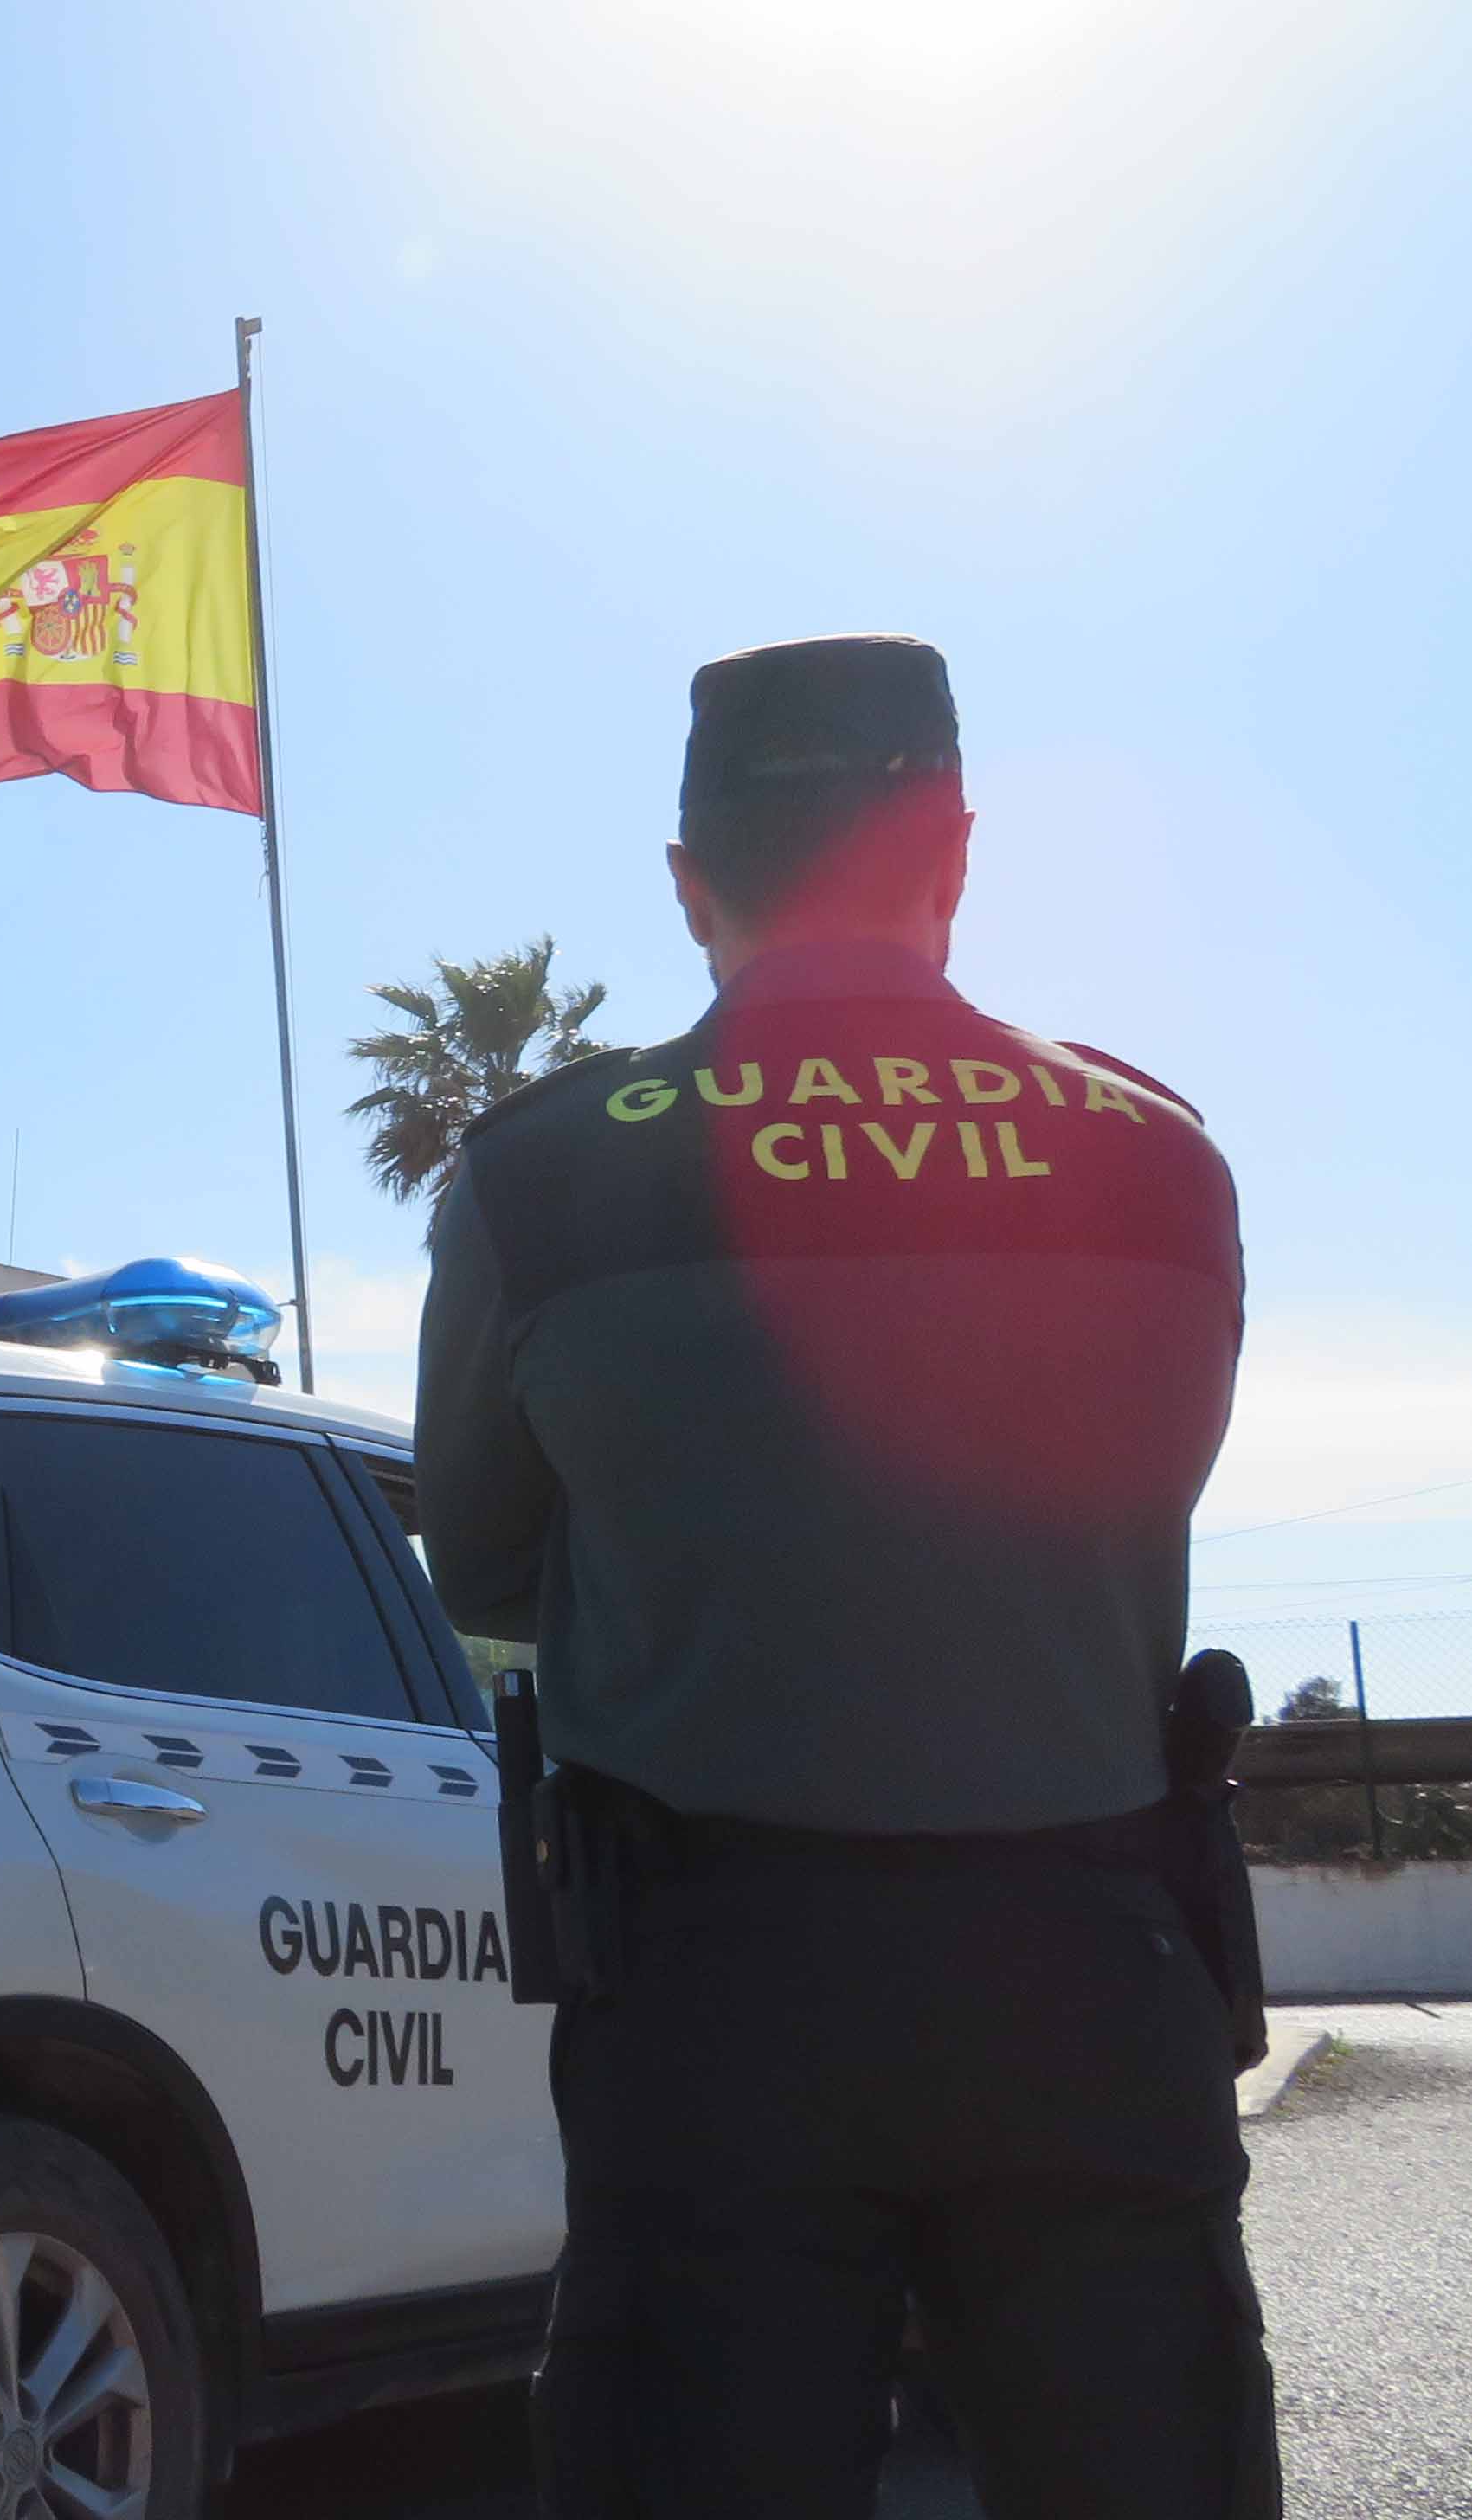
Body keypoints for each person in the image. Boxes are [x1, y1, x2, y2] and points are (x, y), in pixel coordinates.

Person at [415, 634, 1276, 2519]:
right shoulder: (1160, 1167)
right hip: (1093, 1980)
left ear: (689, 879)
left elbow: (480, 1550)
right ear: (955, 846)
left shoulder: (543, 1180)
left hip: (720, 2003)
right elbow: (1150, 1503)